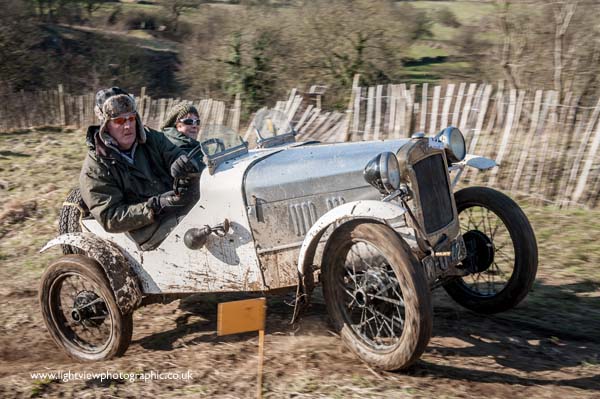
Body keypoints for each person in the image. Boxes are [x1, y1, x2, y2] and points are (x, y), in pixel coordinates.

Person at [79, 87, 200, 250]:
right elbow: (110, 217)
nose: (128, 126)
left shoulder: (152, 138)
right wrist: (154, 207)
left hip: (177, 208)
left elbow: (174, 153)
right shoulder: (94, 167)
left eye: (131, 118)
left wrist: (184, 166)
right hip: (146, 230)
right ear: (105, 126)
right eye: (120, 121)